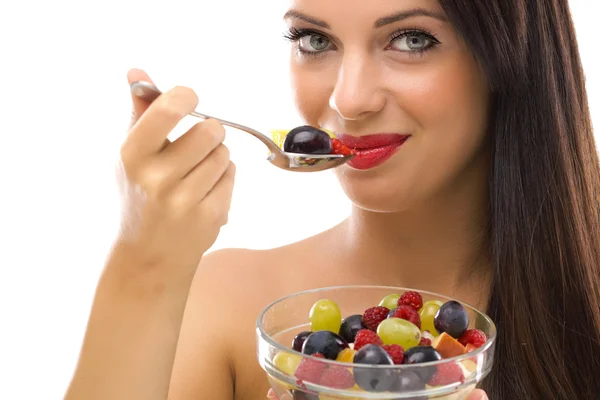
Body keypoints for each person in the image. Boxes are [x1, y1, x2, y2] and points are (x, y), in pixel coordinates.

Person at [64, 0, 600, 399]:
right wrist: (144, 260)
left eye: (412, 39)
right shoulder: (222, 305)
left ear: (512, 57)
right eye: (315, 40)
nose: (349, 99)